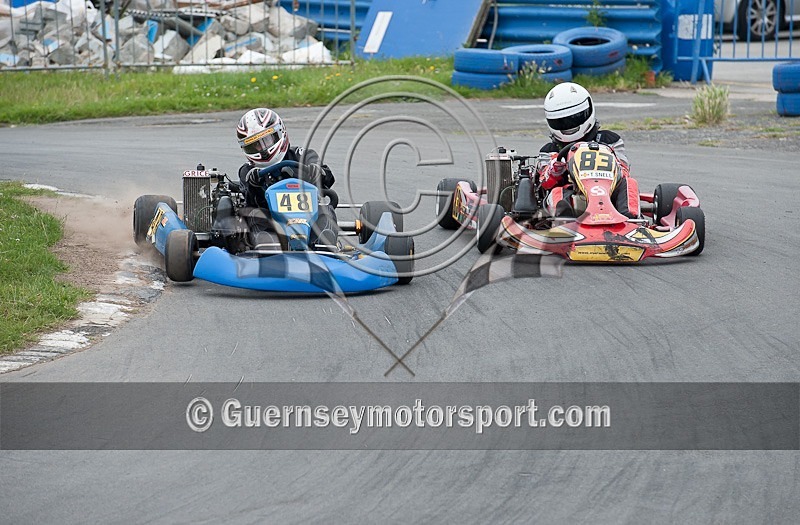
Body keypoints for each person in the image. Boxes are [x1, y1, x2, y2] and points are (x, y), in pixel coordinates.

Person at [234, 107, 338, 247]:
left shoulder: (303, 156)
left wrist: (317, 172)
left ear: (280, 133)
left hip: (309, 217)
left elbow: (328, 179)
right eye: (255, 146)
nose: (263, 150)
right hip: (270, 221)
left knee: (325, 211)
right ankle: (270, 255)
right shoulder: (248, 171)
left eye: (266, 140)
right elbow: (249, 200)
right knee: (255, 215)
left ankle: (324, 252)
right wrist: (254, 184)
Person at [536, 82, 640, 219]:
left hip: (609, 189)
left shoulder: (609, 140)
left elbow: (624, 171)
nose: (568, 126)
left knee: (629, 184)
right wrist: (556, 168)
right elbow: (545, 182)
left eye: (573, 119)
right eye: (561, 122)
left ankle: (631, 221)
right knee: (557, 192)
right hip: (572, 193)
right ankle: (563, 221)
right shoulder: (549, 151)